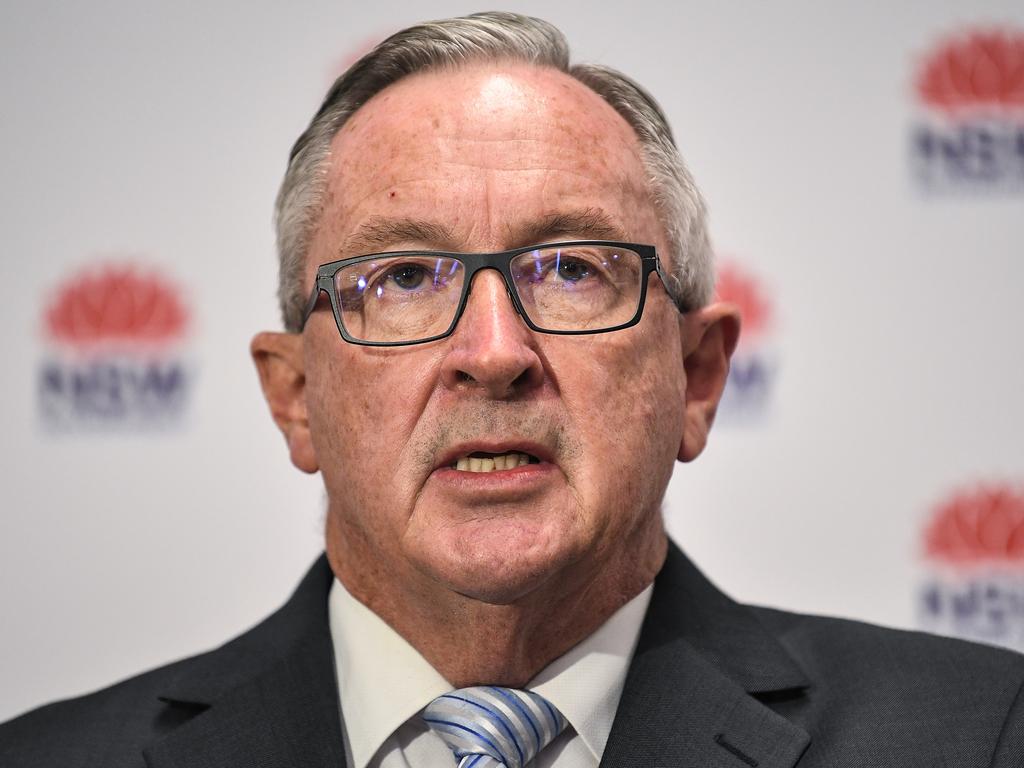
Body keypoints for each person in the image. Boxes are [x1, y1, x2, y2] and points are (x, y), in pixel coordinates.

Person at [2, 11, 1023, 768]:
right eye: (402, 278)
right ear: (295, 397)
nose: (494, 351)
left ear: (696, 377)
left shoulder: (977, 736)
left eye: (573, 268)